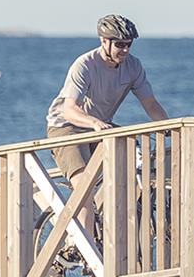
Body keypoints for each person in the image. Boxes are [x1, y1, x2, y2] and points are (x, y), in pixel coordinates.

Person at [44, 14, 169, 253]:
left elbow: (151, 104)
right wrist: (93, 122)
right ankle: (79, 248)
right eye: (119, 44)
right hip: (68, 127)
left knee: (137, 159)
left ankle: (116, 231)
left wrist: (170, 127)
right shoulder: (85, 65)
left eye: (129, 44)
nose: (125, 49)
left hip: (101, 125)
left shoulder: (133, 66)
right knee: (84, 187)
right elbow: (69, 109)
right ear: (104, 41)